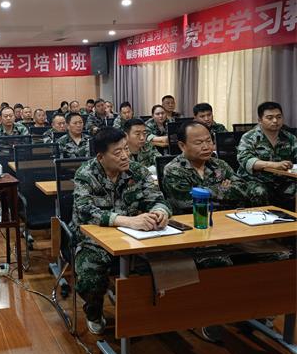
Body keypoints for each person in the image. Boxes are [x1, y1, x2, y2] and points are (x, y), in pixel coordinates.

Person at [71, 128, 171, 334]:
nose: (125, 156)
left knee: (171, 261)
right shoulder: (86, 174)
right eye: (117, 152)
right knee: (90, 275)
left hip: (136, 237)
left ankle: (157, 311)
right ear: (101, 157)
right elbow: (85, 211)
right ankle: (94, 311)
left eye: (126, 149)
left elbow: (157, 198)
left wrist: (160, 212)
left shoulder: (137, 171)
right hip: (93, 240)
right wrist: (128, 221)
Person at [163, 121, 266, 215]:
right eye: (198, 143)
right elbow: (187, 204)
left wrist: (203, 193)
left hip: (227, 218)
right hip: (193, 220)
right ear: (182, 146)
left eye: (209, 141)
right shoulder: (174, 170)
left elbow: (242, 189)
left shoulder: (219, 164)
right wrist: (222, 190)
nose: (206, 147)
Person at [237, 102, 297, 210]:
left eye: (279, 117)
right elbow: (246, 160)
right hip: (254, 180)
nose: (275, 121)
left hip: (282, 180)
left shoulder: (290, 138)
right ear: (260, 120)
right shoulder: (249, 137)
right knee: (260, 192)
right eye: (270, 118)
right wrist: (274, 165)